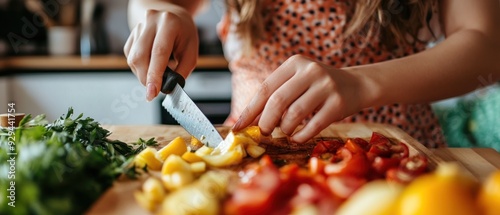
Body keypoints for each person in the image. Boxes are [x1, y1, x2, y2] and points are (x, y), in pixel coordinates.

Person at [124, 0, 500, 147]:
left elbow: (487, 48)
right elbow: (151, 3)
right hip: (249, 152)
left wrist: (362, 82)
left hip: (392, 153)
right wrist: (157, 14)